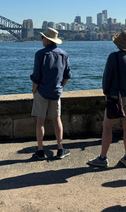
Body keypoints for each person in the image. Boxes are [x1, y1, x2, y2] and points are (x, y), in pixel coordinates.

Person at [87, 31, 126, 168]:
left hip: (116, 97)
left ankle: (103, 158)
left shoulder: (114, 57)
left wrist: (106, 93)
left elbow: (107, 78)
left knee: (107, 127)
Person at [30, 27, 72, 160]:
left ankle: (40, 151)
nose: (41, 39)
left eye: (42, 37)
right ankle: (60, 149)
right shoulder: (64, 54)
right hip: (56, 92)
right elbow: (67, 75)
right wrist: (61, 87)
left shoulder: (40, 54)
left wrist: (34, 90)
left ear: (47, 39)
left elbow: (36, 76)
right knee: (57, 120)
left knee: (40, 122)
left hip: (41, 91)